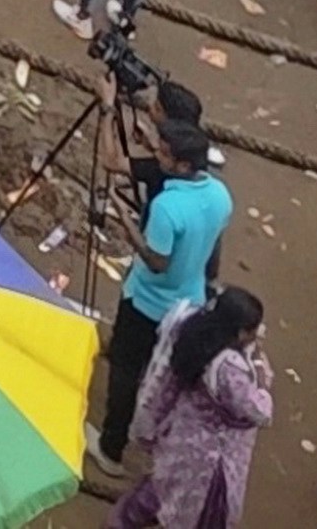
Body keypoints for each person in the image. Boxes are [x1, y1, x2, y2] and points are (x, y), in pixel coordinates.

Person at [98, 84, 227, 454]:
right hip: (188, 298)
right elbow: (213, 241)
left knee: (124, 371)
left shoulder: (168, 206)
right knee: (160, 368)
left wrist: (124, 219)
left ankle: (111, 447)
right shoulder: (219, 195)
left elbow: (156, 261)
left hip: (146, 300)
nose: (159, 159)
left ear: (184, 165)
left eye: (165, 156)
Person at [108, 286, 267, 529]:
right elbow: (259, 412)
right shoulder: (231, 370)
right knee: (193, 515)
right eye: (253, 330)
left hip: (178, 438)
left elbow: (167, 387)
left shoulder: (192, 331)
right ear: (240, 333)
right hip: (207, 463)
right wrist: (262, 377)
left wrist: (150, 430)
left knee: (151, 497)